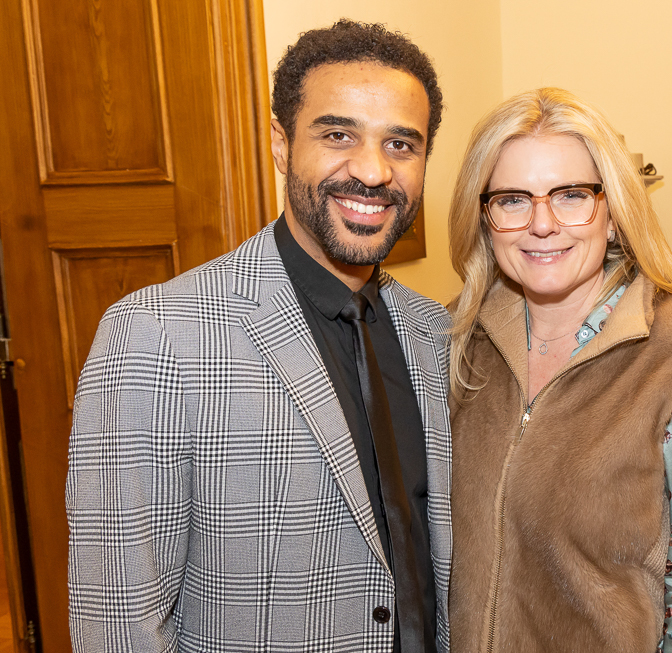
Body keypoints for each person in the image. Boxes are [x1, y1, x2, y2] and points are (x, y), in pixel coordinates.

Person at [66, 20, 450, 652]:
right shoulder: (156, 336)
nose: (373, 170)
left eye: (401, 144)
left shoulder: (435, 331)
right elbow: (118, 621)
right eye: (337, 135)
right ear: (280, 143)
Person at [446, 88, 672, 652]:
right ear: (486, 219)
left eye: (571, 196)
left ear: (612, 215)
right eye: (513, 199)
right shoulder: (457, 344)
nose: (542, 224)